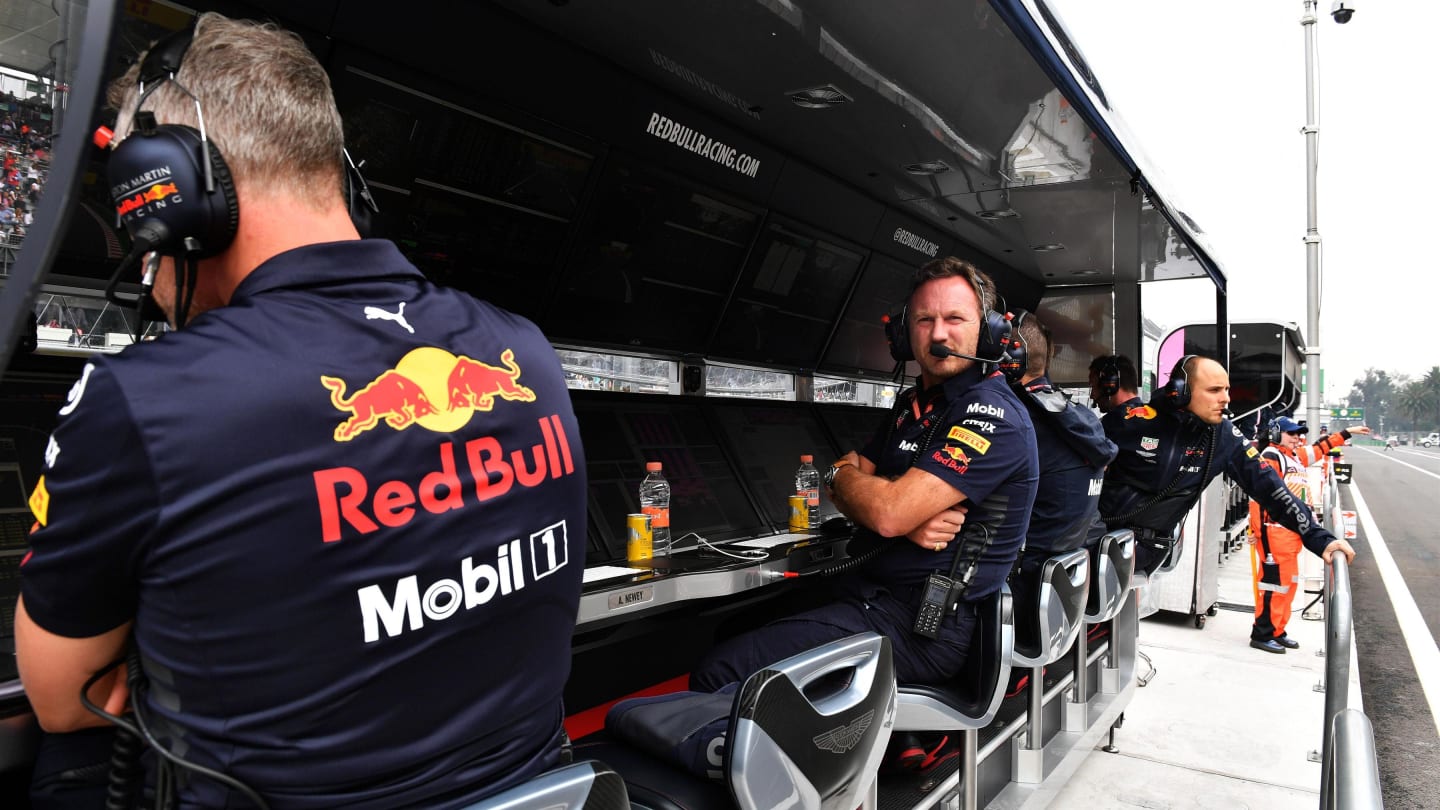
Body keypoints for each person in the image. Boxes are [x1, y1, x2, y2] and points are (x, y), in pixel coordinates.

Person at [15, 14, 587, 808]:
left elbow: (62, 696)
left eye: (135, 212)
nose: (144, 265)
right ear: (340, 174)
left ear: (176, 192)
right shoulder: (526, 351)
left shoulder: (143, 399)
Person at [690, 257, 1038, 691]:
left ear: (987, 332)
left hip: (919, 628)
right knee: (726, 631)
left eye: (955, 318)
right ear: (904, 332)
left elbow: (886, 512)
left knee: (719, 672)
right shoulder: (915, 405)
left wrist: (883, 504)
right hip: (870, 598)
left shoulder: (992, 414)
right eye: (924, 319)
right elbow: (846, 476)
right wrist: (866, 490)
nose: (939, 334)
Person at [1097, 354, 1356, 578]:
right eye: (1214, 390)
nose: (1226, 399)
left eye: (1227, 390)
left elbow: (1269, 487)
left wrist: (1318, 537)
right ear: (1179, 390)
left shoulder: (1223, 436)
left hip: (1141, 551)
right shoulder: (1130, 420)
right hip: (1098, 537)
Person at [1005, 311, 1116, 615]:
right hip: (1063, 587)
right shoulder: (1081, 417)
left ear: (1007, 357)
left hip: (1020, 590)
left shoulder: (1013, 420)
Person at [1247, 417, 1370, 653]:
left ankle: (1277, 630)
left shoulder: (1295, 457)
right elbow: (1260, 496)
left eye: (1299, 434)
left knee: (1289, 584)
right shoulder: (1273, 455)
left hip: (1291, 533)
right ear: (1275, 434)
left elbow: (1320, 448)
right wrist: (1257, 530)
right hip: (1275, 532)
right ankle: (1262, 634)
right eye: (1291, 433)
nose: (1297, 437)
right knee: (1274, 586)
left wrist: (1345, 433)